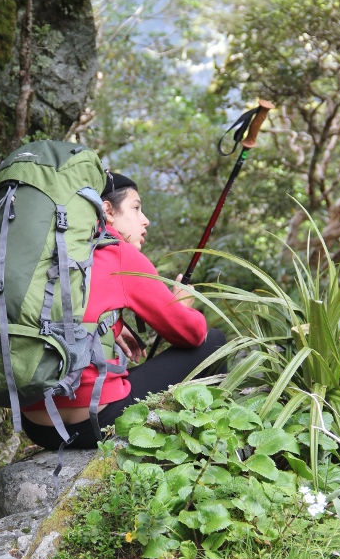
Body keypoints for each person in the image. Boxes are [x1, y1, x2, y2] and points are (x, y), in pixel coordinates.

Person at [21, 171, 226, 450]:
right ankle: (215, 443)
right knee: (214, 341)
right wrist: (180, 303)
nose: (145, 220)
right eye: (136, 208)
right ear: (107, 211)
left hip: (37, 427)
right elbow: (190, 334)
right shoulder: (118, 252)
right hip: (96, 422)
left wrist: (113, 327)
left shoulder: (51, 251)